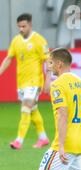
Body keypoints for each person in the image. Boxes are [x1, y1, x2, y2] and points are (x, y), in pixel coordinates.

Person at [0, 13, 50, 150]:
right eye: (19, 27)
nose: (21, 29)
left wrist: (47, 81)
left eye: (24, 26)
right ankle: (43, 137)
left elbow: (48, 61)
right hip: (21, 82)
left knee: (26, 108)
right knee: (33, 111)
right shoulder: (16, 41)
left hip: (35, 82)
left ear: (30, 25)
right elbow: (9, 58)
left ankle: (18, 141)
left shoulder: (39, 40)